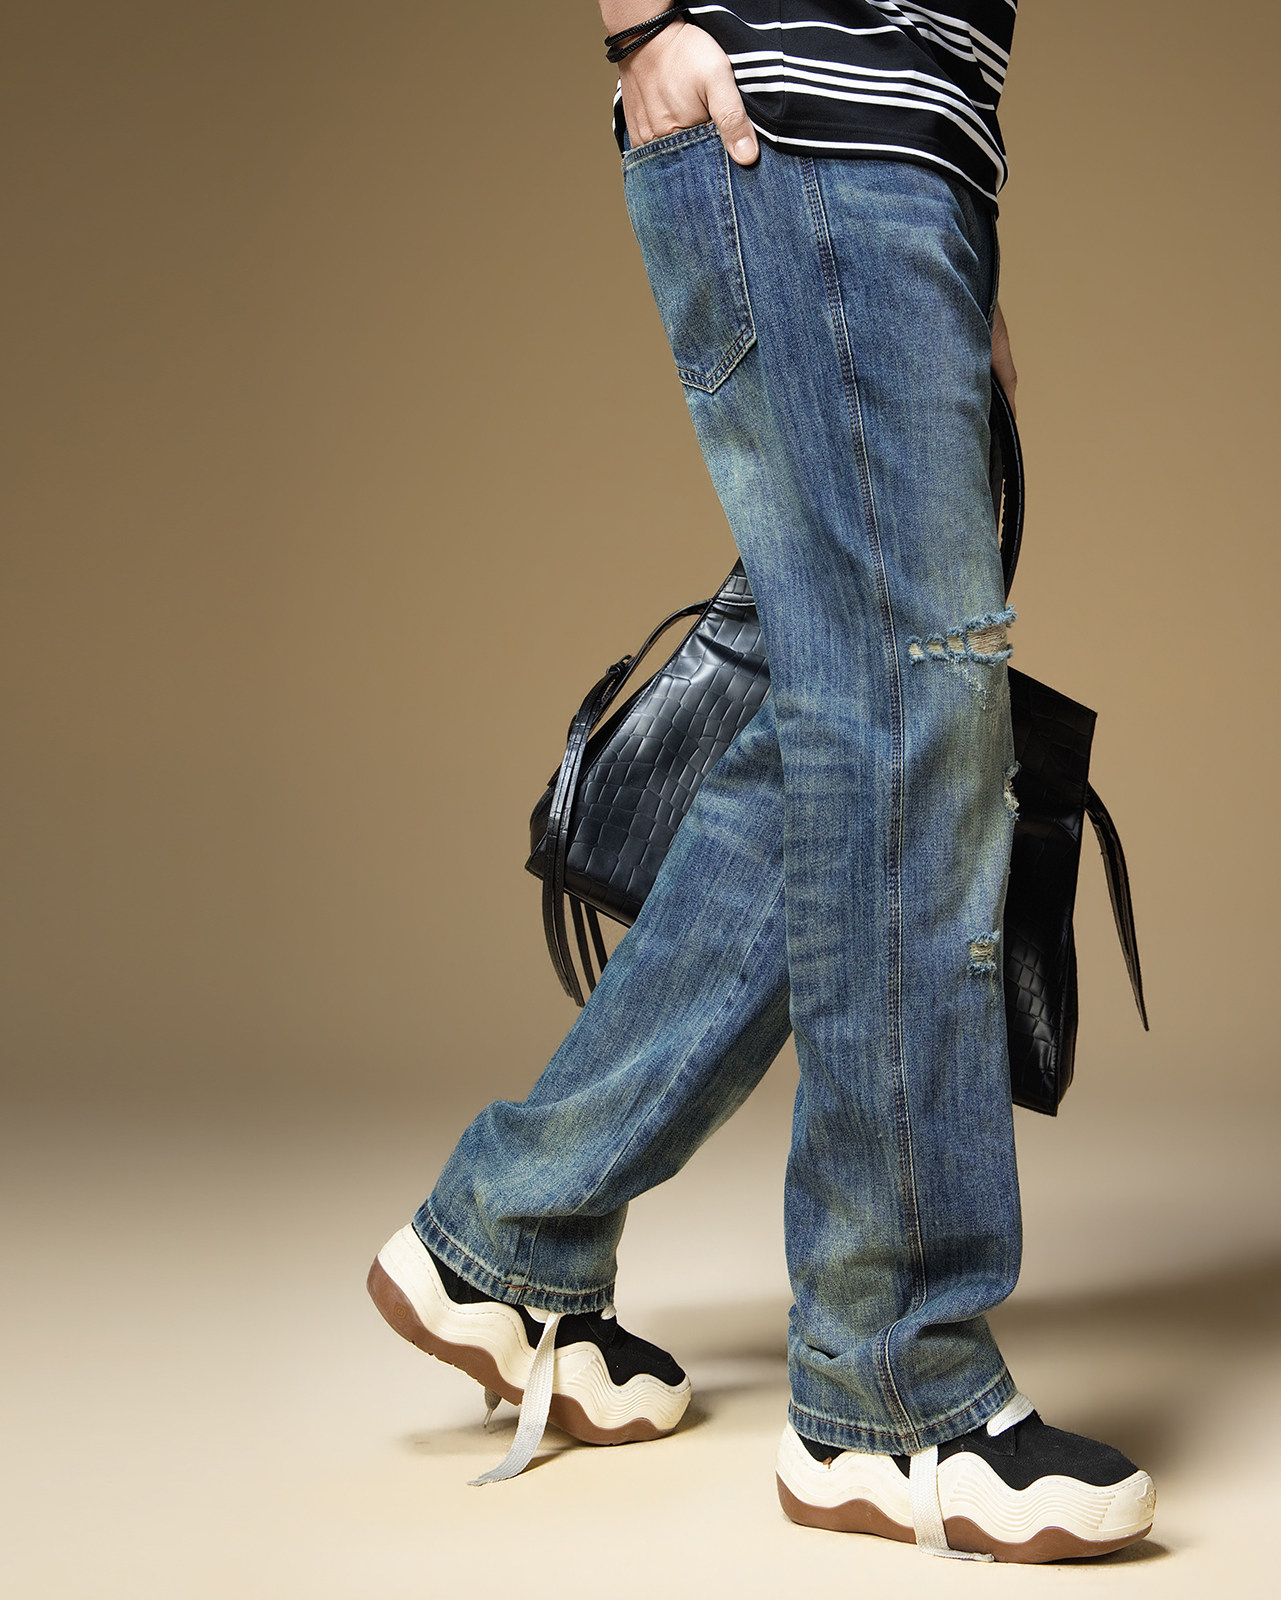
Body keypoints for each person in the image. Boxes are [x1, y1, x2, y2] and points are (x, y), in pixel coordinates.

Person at [367, 1, 1154, 1563]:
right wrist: (644, 26)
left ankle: (511, 1234)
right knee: (907, 724)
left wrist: (948, 205)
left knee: (844, 723)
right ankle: (891, 1379)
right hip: (799, 136)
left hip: (887, 159)